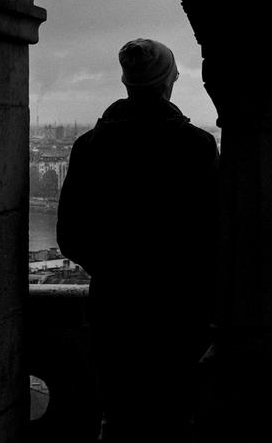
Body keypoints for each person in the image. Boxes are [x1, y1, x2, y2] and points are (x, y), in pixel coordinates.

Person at [58, 38, 219, 441]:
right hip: (180, 309)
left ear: (126, 82)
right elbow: (218, 234)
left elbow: (70, 236)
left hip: (114, 307)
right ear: (169, 82)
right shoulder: (196, 146)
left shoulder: (89, 147)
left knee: (120, 416)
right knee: (176, 417)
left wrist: (115, 269)